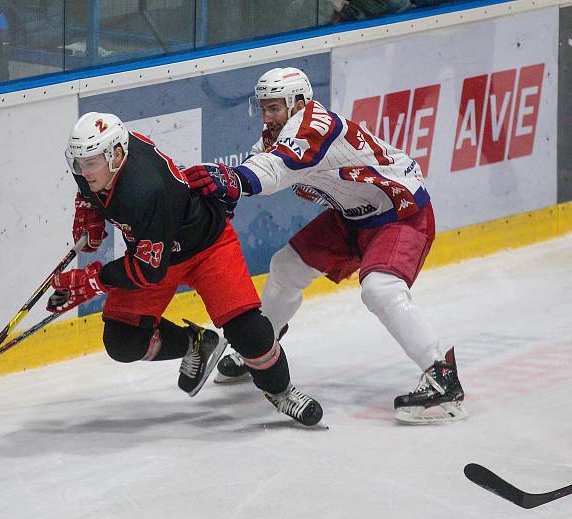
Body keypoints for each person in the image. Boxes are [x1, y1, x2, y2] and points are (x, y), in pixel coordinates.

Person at [182, 67, 466, 424]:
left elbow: (274, 170)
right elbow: (260, 164)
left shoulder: (316, 124)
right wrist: (225, 193)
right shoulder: (279, 134)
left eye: (274, 109)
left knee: (380, 289)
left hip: (399, 211)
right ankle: (260, 347)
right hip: (351, 217)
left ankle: (443, 379)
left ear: (299, 104)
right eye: (264, 109)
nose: (267, 118)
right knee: (286, 268)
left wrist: (233, 180)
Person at [46, 111, 323, 427]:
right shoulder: (101, 156)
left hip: (206, 246)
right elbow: (92, 186)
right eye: (79, 162)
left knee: (248, 332)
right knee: (123, 342)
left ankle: (282, 391)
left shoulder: (145, 189)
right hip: (153, 249)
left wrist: (96, 279)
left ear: (117, 155)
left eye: (91, 163)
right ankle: (197, 343)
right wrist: (89, 208)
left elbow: (149, 272)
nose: (84, 169)